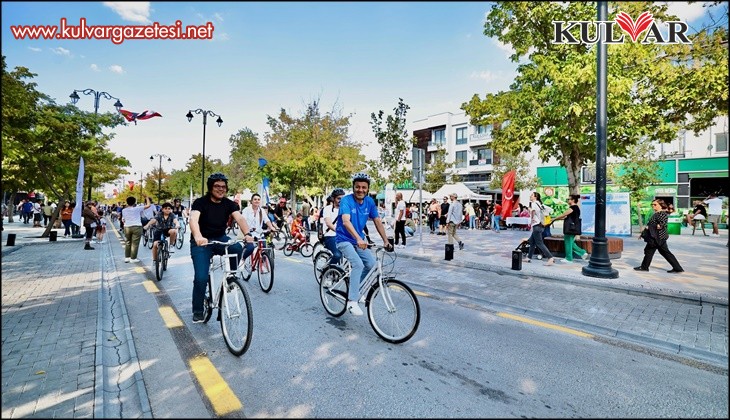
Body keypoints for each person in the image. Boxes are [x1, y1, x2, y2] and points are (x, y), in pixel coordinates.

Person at [189, 173, 254, 323]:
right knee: (201, 277)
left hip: (220, 238)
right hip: (202, 242)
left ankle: (231, 276)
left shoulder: (229, 204)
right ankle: (198, 310)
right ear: (210, 187)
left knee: (237, 247)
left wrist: (247, 233)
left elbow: (240, 218)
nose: (220, 189)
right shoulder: (200, 202)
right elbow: (193, 220)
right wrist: (198, 236)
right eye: (217, 186)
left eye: (223, 187)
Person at [336, 172, 393, 316]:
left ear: (367, 189)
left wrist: (385, 240)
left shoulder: (369, 202)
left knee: (372, 265)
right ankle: (352, 301)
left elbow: (377, 221)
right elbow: (346, 221)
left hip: (359, 240)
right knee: (358, 264)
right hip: (344, 239)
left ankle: (356, 291)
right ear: (353, 187)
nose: (360, 190)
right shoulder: (346, 201)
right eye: (357, 187)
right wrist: (359, 239)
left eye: (363, 187)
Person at [634, 199, 684, 273]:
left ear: (661, 205)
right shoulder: (656, 213)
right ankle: (677, 268)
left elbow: (661, 225)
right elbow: (651, 225)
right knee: (661, 252)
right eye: (652, 204)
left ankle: (644, 267)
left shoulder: (661, 214)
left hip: (658, 238)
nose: (653, 206)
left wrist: (650, 227)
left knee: (651, 251)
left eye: (655, 204)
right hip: (656, 237)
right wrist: (643, 233)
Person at [239, 193, 277, 262]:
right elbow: (242, 222)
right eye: (255, 199)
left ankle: (262, 262)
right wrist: (246, 234)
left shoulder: (261, 210)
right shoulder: (246, 210)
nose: (257, 201)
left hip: (259, 234)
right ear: (251, 201)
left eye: (258, 200)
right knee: (250, 248)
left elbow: (267, 220)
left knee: (265, 247)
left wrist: (271, 227)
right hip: (248, 233)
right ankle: (243, 259)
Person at [551, 194, 589, 263]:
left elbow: (563, 215)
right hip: (573, 228)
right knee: (571, 243)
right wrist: (556, 219)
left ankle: (569, 258)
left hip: (570, 229)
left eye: (569, 199)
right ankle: (582, 253)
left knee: (568, 242)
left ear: (573, 200)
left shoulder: (573, 207)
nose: (568, 200)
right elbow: (566, 217)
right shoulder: (575, 208)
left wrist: (554, 219)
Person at [525, 192, 555, 266]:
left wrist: (530, 212)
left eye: (532, 195)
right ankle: (529, 258)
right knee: (532, 242)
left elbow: (532, 212)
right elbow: (550, 210)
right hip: (541, 225)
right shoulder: (540, 204)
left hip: (537, 225)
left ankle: (550, 258)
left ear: (535, 197)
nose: (530, 196)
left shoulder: (534, 204)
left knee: (539, 243)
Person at [122, 196, 152, 262]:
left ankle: (127, 257)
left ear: (127, 202)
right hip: (137, 226)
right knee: (135, 243)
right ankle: (133, 258)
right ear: (134, 202)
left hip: (127, 227)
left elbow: (123, 219)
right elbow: (148, 205)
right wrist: (147, 198)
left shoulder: (123, 210)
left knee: (127, 242)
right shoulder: (137, 208)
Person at [322, 189, 345, 265]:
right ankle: (328, 270)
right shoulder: (327, 209)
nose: (341, 200)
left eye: (342, 198)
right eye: (339, 198)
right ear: (333, 198)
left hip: (342, 237)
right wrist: (339, 231)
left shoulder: (345, 209)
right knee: (337, 255)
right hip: (330, 236)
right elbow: (328, 223)